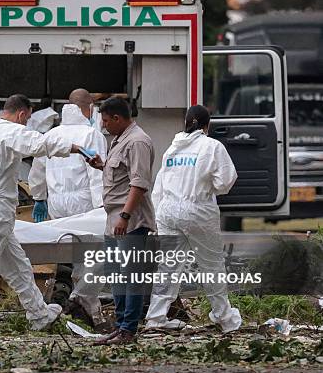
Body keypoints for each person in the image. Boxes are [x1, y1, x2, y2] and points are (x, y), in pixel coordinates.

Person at [0, 94, 85, 330]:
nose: (26, 124)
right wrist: (77, 148)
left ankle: (39, 314)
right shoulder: (8, 131)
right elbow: (40, 144)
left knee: (17, 265)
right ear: (21, 114)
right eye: (27, 119)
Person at [145, 105, 242, 333]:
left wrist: (157, 217)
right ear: (207, 126)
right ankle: (225, 319)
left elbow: (159, 186)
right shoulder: (211, 146)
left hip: (168, 211)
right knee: (211, 266)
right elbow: (226, 182)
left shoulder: (173, 149)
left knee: (168, 266)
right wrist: (209, 186)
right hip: (198, 210)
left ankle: (156, 318)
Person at [28, 88, 107, 326]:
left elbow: (38, 169)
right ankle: (83, 302)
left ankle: (84, 303)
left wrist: (39, 197)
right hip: (83, 201)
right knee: (93, 254)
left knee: (71, 254)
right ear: (89, 109)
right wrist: (101, 206)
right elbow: (97, 174)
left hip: (57, 202)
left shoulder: (51, 134)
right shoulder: (92, 135)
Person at [89, 97, 156, 345]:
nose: (104, 126)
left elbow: (139, 183)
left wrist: (125, 217)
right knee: (116, 275)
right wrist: (102, 166)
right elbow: (122, 173)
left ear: (117, 118)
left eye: (106, 121)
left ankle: (129, 329)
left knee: (131, 276)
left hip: (130, 219)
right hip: (114, 218)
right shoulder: (120, 139)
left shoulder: (138, 141)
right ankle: (120, 327)